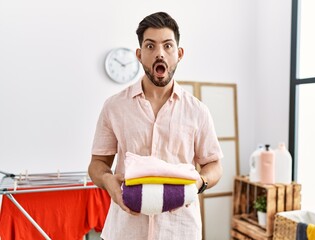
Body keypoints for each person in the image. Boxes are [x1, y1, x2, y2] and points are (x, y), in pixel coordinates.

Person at [88, 11, 223, 240]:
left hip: (180, 231)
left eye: (168, 46)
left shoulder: (197, 111)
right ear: (139, 55)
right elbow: (97, 164)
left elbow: (214, 165)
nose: (160, 53)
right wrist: (108, 181)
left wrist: (200, 183)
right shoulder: (114, 106)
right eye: (150, 46)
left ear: (179, 54)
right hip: (124, 232)